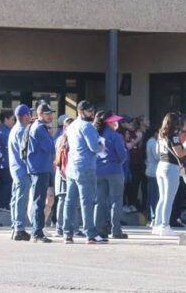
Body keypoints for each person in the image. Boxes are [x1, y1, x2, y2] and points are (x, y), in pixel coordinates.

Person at [63, 100, 105, 244]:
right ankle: (90, 234)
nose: (92, 114)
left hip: (71, 167)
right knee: (87, 202)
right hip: (85, 167)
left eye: (92, 111)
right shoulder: (87, 127)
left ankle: (67, 233)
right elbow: (94, 147)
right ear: (81, 112)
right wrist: (102, 146)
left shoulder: (72, 125)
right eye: (89, 111)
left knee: (70, 201)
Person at [153, 113, 186, 236]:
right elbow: (179, 153)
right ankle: (165, 226)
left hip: (160, 166)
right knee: (169, 199)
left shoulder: (161, 135)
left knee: (162, 198)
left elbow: (157, 151)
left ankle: (157, 225)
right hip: (171, 167)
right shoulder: (174, 135)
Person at [94, 112, 129, 239]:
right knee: (116, 200)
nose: (116, 123)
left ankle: (98, 229)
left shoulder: (95, 135)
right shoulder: (116, 136)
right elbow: (122, 155)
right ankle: (116, 230)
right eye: (114, 121)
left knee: (99, 201)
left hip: (98, 171)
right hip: (114, 170)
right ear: (108, 122)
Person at [25, 103, 56, 243]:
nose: (50, 116)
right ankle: (37, 232)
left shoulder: (39, 127)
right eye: (47, 113)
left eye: (50, 113)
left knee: (40, 199)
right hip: (39, 169)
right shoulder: (39, 128)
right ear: (40, 114)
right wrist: (51, 136)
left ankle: (37, 230)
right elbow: (50, 147)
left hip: (41, 168)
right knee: (39, 201)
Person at [8, 104, 33, 241]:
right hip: (22, 169)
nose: (31, 116)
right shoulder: (22, 131)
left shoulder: (14, 129)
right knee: (21, 199)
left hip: (15, 168)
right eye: (29, 114)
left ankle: (15, 227)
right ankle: (19, 228)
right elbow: (25, 153)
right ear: (24, 116)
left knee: (16, 198)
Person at [54, 116, 74, 236]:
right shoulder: (61, 140)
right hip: (62, 172)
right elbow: (58, 158)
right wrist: (62, 171)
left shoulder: (71, 139)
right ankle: (60, 227)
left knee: (70, 201)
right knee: (62, 200)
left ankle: (70, 226)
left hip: (67, 172)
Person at [122, 116, 143, 214]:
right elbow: (128, 146)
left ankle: (131, 203)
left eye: (132, 122)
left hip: (135, 162)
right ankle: (124, 204)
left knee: (133, 184)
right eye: (129, 122)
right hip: (127, 163)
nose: (131, 125)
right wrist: (138, 139)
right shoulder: (123, 133)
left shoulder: (133, 132)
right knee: (126, 184)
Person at [0, 110, 15, 209]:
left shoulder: (7, 131)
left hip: (9, 162)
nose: (13, 122)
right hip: (5, 163)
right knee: (6, 185)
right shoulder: (2, 132)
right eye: (12, 119)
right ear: (6, 119)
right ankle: (2, 205)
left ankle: (5, 204)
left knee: (8, 185)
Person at [144, 127, 159, 225]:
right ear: (155, 132)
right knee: (153, 196)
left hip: (151, 171)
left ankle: (151, 216)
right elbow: (157, 157)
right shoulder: (153, 142)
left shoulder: (150, 141)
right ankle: (152, 216)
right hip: (153, 172)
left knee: (152, 195)